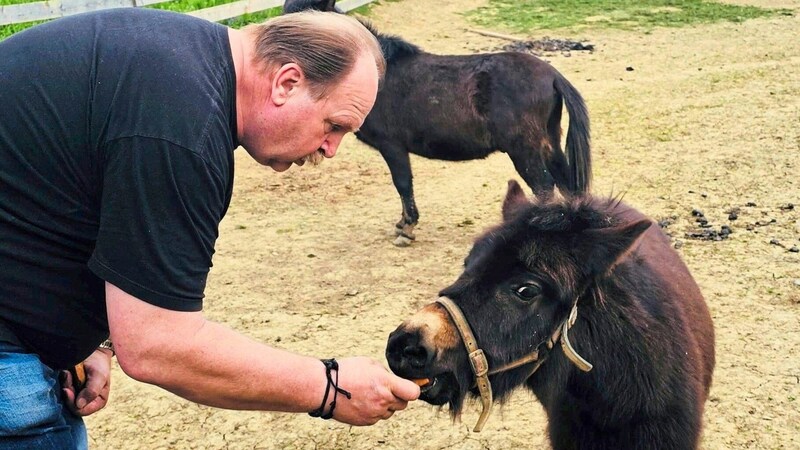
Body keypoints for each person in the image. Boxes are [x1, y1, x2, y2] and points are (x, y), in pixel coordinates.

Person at [0, 7, 419, 449]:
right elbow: (157, 344)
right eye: (334, 126)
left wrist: (87, 342)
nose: (331, 150)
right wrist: (329, 388)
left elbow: (48, 195)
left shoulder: (185, 67)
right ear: (287, 82)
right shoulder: (183, 128)